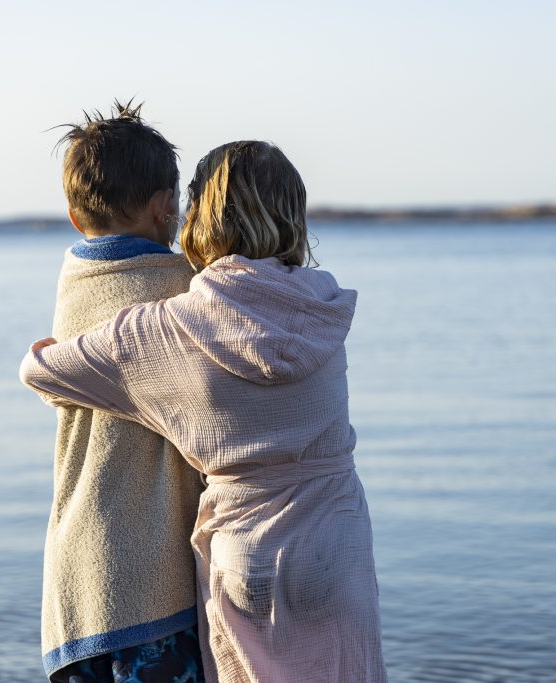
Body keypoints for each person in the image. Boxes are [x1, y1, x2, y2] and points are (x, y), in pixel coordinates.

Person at [22, 140, 387, 683]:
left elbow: (44, 372)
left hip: (245, 542)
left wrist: (50, 350)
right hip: (337, 528)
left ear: (198, 214)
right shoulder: (323, 305)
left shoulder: (172, 325)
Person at [36, 101, 205, 683]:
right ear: (165, 206)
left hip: (73, 582)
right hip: (148, 582)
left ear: (75, 218)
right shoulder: (181, 288)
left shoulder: (73, 281)